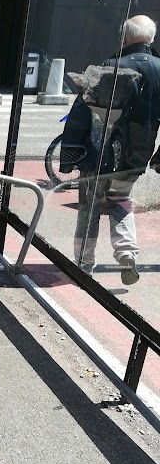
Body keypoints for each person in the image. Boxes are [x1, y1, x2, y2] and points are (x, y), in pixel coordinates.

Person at [61, 15, 160, 284]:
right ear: (151, 38)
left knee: (89, 208)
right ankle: (127, 253)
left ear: (125, 37)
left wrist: (69, 154)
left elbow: (81, 112)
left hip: (97, 154)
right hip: (136, 155)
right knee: (120, 201)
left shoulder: (109, 65)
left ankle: (83, 265)